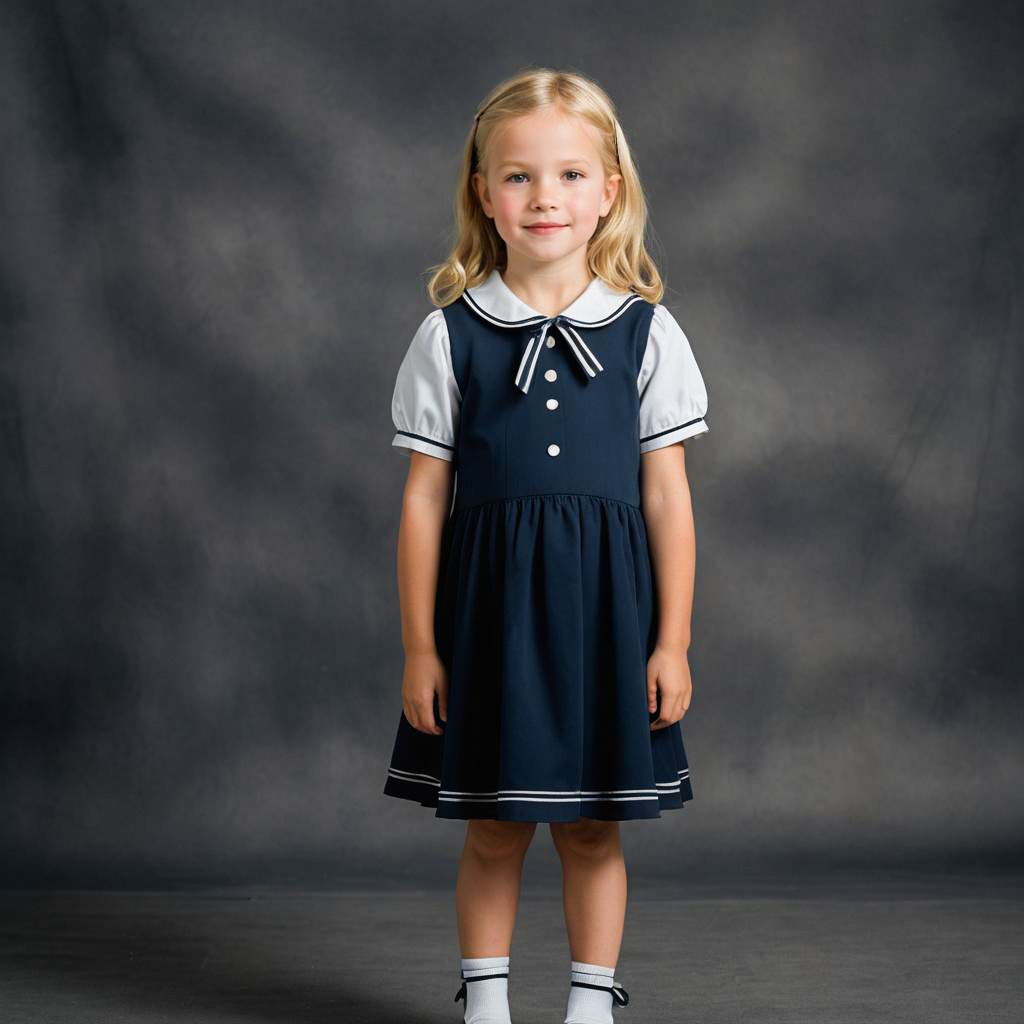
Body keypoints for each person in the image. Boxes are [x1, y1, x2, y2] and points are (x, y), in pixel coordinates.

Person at [382, 67, 710, 1024]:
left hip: (610, 619)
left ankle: (590, 1006)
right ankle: (486, 1005)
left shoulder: (650, 334)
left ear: (611, 188)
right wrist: (420, 647)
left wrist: (673, 639)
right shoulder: (451, 335)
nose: (545, 198)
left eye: (570, 175)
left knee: (596, 830)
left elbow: (669, 497)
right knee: (491, 828)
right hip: (488, 620)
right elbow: (421, 501)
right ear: (484, 192)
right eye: (519, 177)